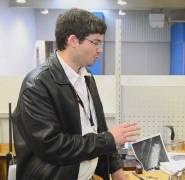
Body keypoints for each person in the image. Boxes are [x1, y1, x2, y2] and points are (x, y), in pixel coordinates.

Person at [13, 8, 140, 180]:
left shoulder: (86, 77)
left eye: (101, 43)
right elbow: (53, 146)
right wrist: (108, 139)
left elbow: (98, 129)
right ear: (73, 40)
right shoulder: (37, 85)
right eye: (95, 42)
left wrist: (116, 171)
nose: (100, 50)